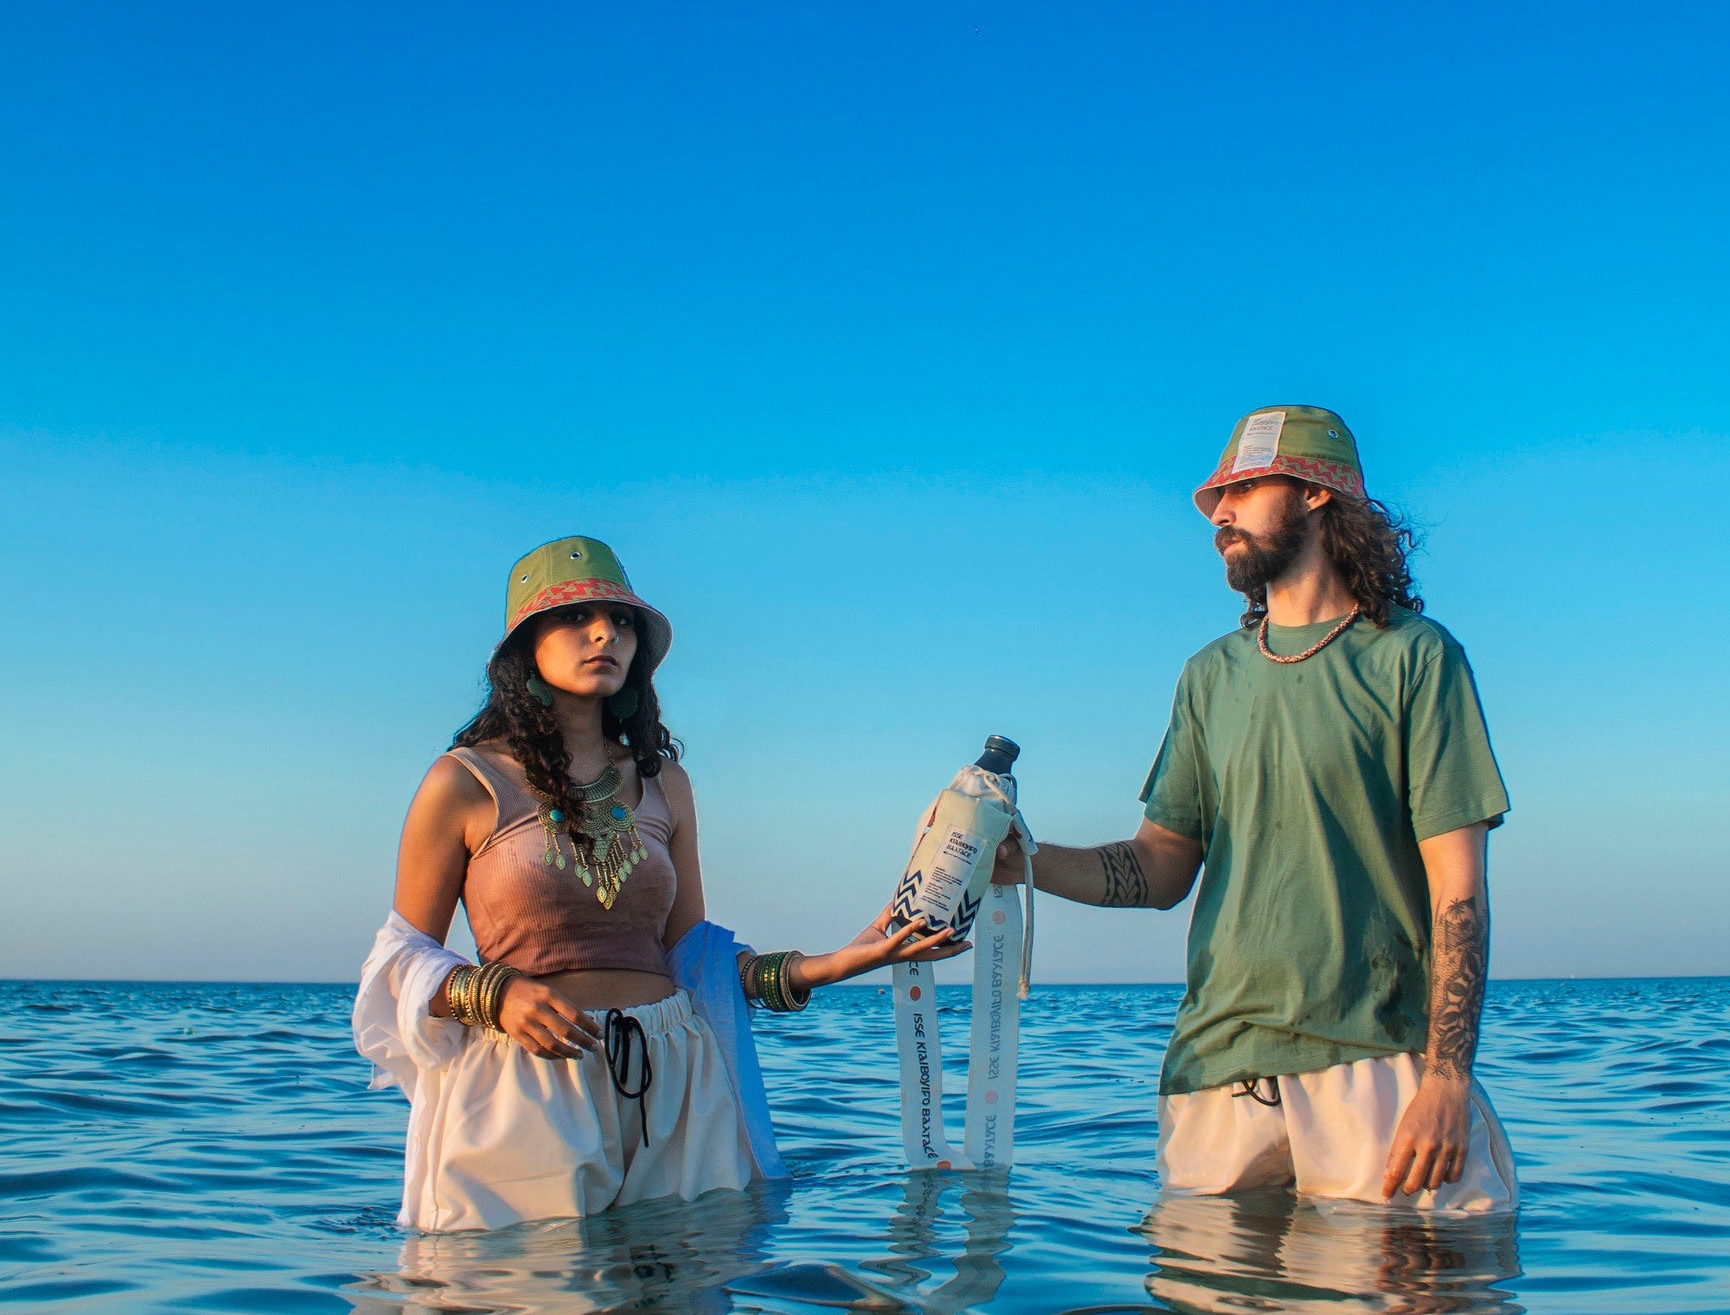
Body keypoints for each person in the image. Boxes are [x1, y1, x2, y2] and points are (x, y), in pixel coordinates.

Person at [353, 536, 958, 1231]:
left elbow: (692, 958)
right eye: (575, 617)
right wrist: (495, 994)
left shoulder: (665, 783)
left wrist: (845, 960)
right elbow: (398, 964)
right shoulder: (463, 780)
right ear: (523, 649)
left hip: (677, 1077)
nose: (605, 631)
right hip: (528, 1080)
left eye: (621, 618)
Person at [995, 407, 1516, 1212]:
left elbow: (1458, 893)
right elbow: (1161, 865)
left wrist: (1447, 1079)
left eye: (1241, 488)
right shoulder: (1208, 677)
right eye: (1216, 497)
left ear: (1314, 491)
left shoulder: (1415, 657)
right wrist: (1023, 860)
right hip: (1214, 1074)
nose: (1219, 516)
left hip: (1375, 1066)